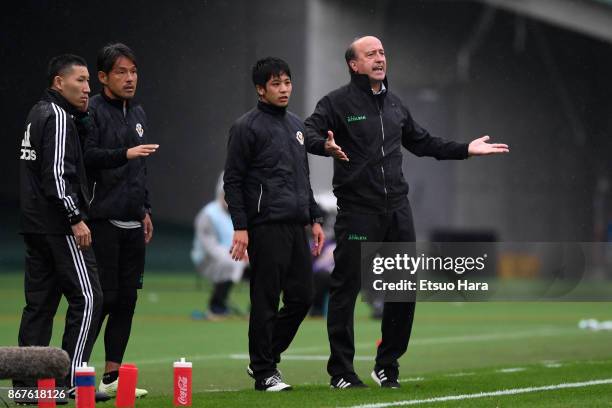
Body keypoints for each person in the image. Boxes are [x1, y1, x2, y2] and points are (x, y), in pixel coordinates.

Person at [304, 35, 509, 389]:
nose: (379, 58)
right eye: (371, 54)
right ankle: (341, 372)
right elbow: (306, 131)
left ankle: (387, 365)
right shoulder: (336, 103)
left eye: (382, 52)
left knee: (401, 288)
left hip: (397, 209)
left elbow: (424, 142)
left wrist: (467, 149)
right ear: (354, 65)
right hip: (358, 211)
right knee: (346, 288)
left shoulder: (395, 105)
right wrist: (324, 144)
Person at [224, 57, 325, 391]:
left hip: (296, 225)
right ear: (260, 89)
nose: (284, 90)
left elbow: (302, 178)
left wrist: (314, 218)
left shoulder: (297, 125)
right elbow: (233, 181)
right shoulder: (245, 127)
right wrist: (241, 226)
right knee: (265, 300)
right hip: (265, 225)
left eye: (287, 82)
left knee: (303, 297)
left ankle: (265, 357)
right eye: (276, 84)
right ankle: (265, 371)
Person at [17, 54, 104, 398]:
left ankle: (26, 386)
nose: (87, 89)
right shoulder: (57, 115)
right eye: (80, 81)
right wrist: (75, 217)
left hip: (35, 224)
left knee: (40, 305)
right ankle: (72, 381)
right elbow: (55, 175)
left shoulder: (37, 112)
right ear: (58, 82)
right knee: (88, 297)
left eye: (88, 82)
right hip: (59, 225)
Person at [84, 43, 158, 399]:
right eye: (121, 72)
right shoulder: (91, 112)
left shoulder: (139, 112)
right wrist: (124, 154)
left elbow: (140, 169)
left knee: (127, 301)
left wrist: (144, 209)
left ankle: (111, 379)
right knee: (102, 300)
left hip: (132, 221)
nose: (130, 79)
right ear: (102, 77)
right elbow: (87, 157)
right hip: (101, 221)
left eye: (133, 72)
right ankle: (77, 374)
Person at [191, 172, 247, 319]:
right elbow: (210, 247)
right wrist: (239, 256)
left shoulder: (240, 213)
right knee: (230, 264)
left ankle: (258, 308)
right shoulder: (209, 214)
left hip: (238, 257)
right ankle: (216, 306)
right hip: (208, 261)